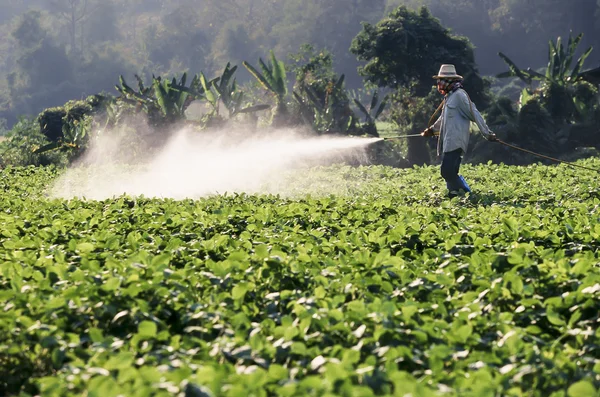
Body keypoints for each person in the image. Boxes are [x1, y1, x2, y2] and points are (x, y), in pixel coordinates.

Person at [422, 64, 497, 197]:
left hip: (456, 141)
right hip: (448, 141)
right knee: (450, 172)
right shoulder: (449, 97)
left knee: (447, 172)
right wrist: (432, 130)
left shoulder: (460, 96)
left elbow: (475, 114)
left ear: (450, 81)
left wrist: (487, 134)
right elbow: (443, 120)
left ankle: (466, 194)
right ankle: (454, 195)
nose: (440, 83)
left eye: (442, 80)